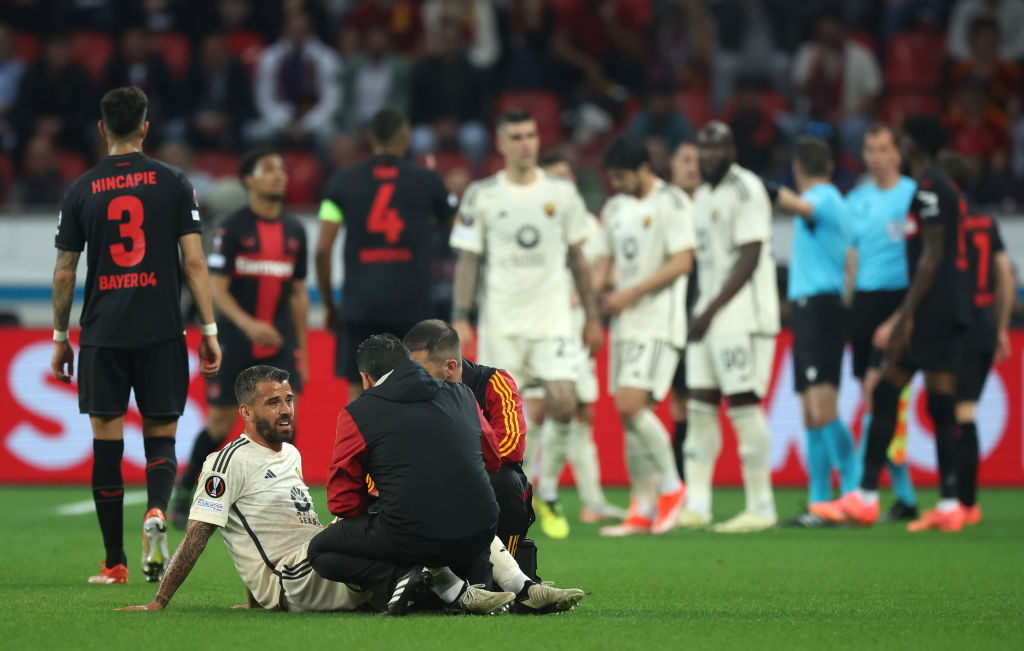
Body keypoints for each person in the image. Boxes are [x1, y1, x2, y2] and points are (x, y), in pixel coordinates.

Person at [50, 86, 222, 585]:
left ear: (102, 129)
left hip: (103, 333)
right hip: (162, 330)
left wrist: (62, 334)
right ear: (146, 128)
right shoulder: (174, 182)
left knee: (106, 442)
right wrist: (208, 328)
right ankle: (156, 512)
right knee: (160, 437)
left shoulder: (81, 188)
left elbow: (64, 272)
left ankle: (114, 562)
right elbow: (193, 260)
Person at [449, 108, 604, 540]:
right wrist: (461, 315)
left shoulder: (562, 194)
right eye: (516, 136)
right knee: (500, 421)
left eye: (531, 135)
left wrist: (592, 316)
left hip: (553, 322)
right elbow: (468, 261)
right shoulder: (483, 195)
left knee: (564, 400)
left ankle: (547, 488)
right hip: (502, 324)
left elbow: (577, 258)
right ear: (500, 143)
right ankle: (502, 496)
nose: (525, 143)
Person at [820, 116, 974, 532]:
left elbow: (932, 256)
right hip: (940, 312)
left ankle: (868, 496)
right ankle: (946, 503)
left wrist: (904, 316)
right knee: (934, 406)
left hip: (930, 315)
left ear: (912, 146)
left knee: (888, 392)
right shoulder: (936, 186)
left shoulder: (927, 190)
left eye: (901, 141)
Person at [119, 366, 375, 612]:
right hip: (292, 579)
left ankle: (401, 583)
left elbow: (257, 530)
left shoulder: (291, 453)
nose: (286, 410)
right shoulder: (227, 463)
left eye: (289, 400)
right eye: (273, 403)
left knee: (370, 512)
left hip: (316, 562)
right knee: (369, 516)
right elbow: (196, 535)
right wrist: (159, 601)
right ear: (247, 412)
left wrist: (255, 600)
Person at [308, 334, 517, 616]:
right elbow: (491, 459)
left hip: (410, 536)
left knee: (320, 550)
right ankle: (472, 587)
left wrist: (377, 511)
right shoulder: (463, 394)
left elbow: (342, 502)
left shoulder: (357, 412)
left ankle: (399, 577)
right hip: (481, 531)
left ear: (365, 378)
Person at [403, 319, 586, 614]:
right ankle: (515, 586)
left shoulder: (493, 383)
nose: (414, 377)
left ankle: (495, 582)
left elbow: (512, 446)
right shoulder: (409, 392)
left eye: (421, 369)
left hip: (480, 482)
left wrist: (456, 467)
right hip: (432, 491)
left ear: (450, 366)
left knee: (506, 482)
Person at [169, 147, 309, 528]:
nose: (279, 175)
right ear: (249, 180)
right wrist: (247, 325)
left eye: (281, 168)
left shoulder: (295, 231)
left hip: (279, 345)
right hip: (236, 341)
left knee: (284, 424)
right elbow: (216, 287)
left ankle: (283, 503)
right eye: (269, 169)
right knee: (218, 425)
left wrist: (304, 352)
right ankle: (185, 493)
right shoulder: (232, 229)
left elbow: (297, 294)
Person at [316, 107, 456, 404]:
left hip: (359, 306)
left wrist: (330, 303)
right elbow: (457, 231)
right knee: (417, 397)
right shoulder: (428, 181)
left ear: (371, 137)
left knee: (360, 398)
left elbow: (322, 249)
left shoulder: (341, 182)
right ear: (405, 136)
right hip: (413, 308)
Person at [592, 134, 694, 537]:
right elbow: (603, 259)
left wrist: (629, 294)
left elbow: (683, 260)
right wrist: (588, 299)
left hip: (658, 322)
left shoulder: (672, 202)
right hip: (624, 324)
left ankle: (671, 489)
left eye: (621, 176)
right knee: (628, 413)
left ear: (642, 169)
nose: (615, 184)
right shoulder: (616, 207)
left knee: (632, 405)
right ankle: (641, 505)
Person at [685, 121, 780, 533]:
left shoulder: (747, 188)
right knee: (700, 406)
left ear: (732, 149)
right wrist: (699, 310)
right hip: (710, 314)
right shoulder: (703, 196)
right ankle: (698, 504)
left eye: (716, 148)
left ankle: (761, 506)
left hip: (742, 315)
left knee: (743, 404)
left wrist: (711, 310)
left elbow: (750, 255)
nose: (708, 156)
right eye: (703, 148)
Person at [767, 136, 859, 527]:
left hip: (821, 308)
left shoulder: (825, 198)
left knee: (823, 409)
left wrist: (761, 186)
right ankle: (819, 502)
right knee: (810, 412)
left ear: (798, 169)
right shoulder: (832, 198)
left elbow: (798, 205)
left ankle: (855, 493)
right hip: (811, 311)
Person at [538, 150, 627, 524]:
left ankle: (590, 499)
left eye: (565, 178)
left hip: (578, 325)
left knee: (582, 410)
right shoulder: (536, 222)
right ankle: (533, 493)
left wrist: (584, 293)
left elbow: (607, 269)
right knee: (539, 410)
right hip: (545, 326)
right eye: (553, 178)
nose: (561, 185)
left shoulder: (589, 224)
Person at [844, 123, 920, 522]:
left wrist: (902, 316)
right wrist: (848, 304)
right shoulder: (856, 199)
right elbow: (851, 259)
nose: (875, 156)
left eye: (883, 148)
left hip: (899, 302)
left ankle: (861, 489)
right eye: (869, 148)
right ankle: (903, 496)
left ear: (897, 153)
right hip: (865, 305)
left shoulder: (912, 195)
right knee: (875, 400)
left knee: (880, 394)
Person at [938, 152, 1015, 525]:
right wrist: (1001, 328)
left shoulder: (948, 222)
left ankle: (963, 503)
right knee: (960, 407)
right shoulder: (988, 221)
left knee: (957, 410)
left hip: (959, 324)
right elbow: (1005, 275)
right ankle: (962, 502)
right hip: (985, 322)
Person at [668, 141, 702, 490]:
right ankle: (675, 483)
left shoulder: (710, 208)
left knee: (696, 403)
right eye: (686, 159)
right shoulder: (665, 207)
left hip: (705, 319)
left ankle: (691, 485)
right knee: (680, 403)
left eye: (697, 161)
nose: (693, 166)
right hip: (670, 318)